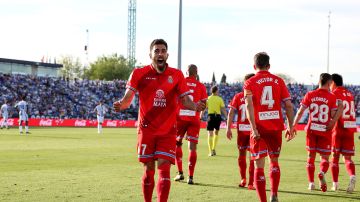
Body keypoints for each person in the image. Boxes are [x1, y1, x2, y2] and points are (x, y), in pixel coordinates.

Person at [113, 39, 205, 202]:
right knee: (148, 169)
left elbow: (185, 101)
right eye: (157, 51)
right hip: (146, 130)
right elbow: (128, 98)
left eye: (163, 51)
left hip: (168, 131)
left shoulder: (176, 75)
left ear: (167, 54)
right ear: (150, 55)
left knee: (164, 169)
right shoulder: (138, 73)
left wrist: (195, 106)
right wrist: (122, 104)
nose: (160, 53)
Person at [244, 52, 295, 202]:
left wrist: (253, 128)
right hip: (275, 127)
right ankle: (274, 194)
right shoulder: (279, 81)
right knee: (274, 161)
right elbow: (289, 106)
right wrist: (290, 126)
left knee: (258, 165)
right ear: (269, 66)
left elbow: (248, 105)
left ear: (254, 66)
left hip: (259, 127)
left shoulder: (249, 82)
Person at [293, 73, 342, 192]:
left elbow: (300, 112)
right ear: (330, 83)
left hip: (311, 130)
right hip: (325, 130)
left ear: (319, 81)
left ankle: (311, 183)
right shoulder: (331, 97)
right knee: (324, 157)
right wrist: (339, 109)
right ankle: (321, 172)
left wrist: (293, 125)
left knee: (310, 157)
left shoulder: (310, 94)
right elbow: (332, 115)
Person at [173, 64, 208, 185]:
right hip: (194, 118)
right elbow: (204, 104)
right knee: (192, 148)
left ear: (186, 72)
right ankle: (191, 177)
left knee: (177, 143)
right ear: (196, 73)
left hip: (180, 118)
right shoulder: (201, 86)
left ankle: (180, 172)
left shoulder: (180, 83)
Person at [226, 73, 255, 190]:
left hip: (242, 131)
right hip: (254, 131)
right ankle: (251, 182)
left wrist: (228, 128)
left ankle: (243, 179)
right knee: (253, 157)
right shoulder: (256, 96)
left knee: (242, 155)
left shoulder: (238, 96)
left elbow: (231, 113)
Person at [330, 73, 356, 193]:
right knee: (348, 158)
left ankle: (335, 184)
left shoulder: (334, 93)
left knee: (335, 158)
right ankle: (352, 176)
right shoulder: (350, 94)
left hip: (338, 128)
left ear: (333, 83)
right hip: (350, 129)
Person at [203, 85, 227, 156]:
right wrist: (226, 117)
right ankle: (213, 148)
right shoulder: (220, 99)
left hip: (210, 116)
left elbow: (204, 108)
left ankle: (210, 151)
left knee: (210, 133)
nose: (218, 91)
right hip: (218, 117)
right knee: (216, 133)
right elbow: (223, 109)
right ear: (216, 91)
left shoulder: (208, 99)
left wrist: (200, 116)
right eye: (218, 90)